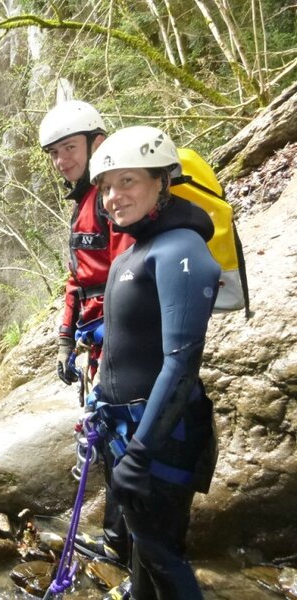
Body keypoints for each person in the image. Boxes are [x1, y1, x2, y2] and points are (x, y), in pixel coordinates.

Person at [89, 126, 220, 599]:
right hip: (128, 430)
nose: (113, 197)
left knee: (162, 552)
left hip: (161, 438)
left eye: (127, 181)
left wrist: (141, 452)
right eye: (106, 186)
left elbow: (181, 363)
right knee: (145, 547)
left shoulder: (181, 249)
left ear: (162, 181)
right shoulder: (137, 250)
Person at [39, 100, 133, 565]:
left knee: (120, 437)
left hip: (123, 340)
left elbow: (127, 273)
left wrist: (114, 341)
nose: (62, 161)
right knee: (109, 437)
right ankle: (120, 540)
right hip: (100, 342)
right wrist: (64, 340)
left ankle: (127, 546)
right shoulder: (83, 205)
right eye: (54, 153)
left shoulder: (113, 201)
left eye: (70, 148)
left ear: (98, 143)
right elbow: (77, 278)